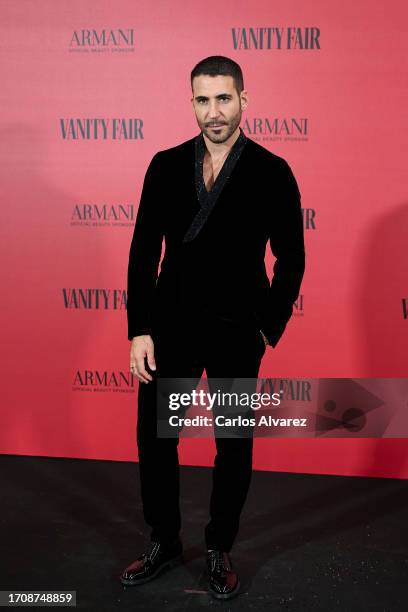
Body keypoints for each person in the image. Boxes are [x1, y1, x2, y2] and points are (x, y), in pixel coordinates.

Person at [120, 55, 305, 600]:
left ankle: (220, 546)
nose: (214, 111)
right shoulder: (164, 164)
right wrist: (139, 329)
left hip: (235, 332)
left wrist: (266, 328)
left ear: (244, 101)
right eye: (203, 99)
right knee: (157, 440)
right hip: (169, 327)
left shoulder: (273, 171)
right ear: (191, 102)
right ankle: (164, 540)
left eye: (224, 98)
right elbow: (141, 252)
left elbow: (291, 259)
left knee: (233, 444)